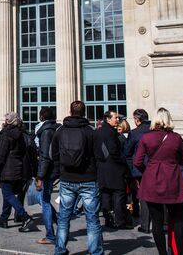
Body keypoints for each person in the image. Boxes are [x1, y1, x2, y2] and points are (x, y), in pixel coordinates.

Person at [134, 108, 183, 255]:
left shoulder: (146, 138)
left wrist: (148, 171)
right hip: (172, 178)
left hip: (152, 179)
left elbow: (137, 161)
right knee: (178, 220)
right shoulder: (176, 138)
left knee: (157, 221)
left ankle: (162, 253)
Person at [52, 101, 103, 255]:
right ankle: (95, 252)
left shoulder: (60, 131)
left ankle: (60, 250)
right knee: (92, 220)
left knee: (63, 219)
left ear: (70, 111)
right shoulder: (91, 131)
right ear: (84, 112)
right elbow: (102, 155)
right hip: (88, 179)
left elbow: (51, 154)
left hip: (67, 179)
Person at [0, 112, 33, 232]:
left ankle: (25, 216)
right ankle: (3, 219)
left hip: (7, 169)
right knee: (7, 195)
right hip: (18, 168)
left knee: (8, 194)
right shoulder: (20, 135)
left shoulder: (7, 135)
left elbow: (1, 155)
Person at [95, 110, 130, 230]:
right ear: (108, 119)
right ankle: (119, 221)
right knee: (118, 194)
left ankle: (108, 219)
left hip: (103, 168)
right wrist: (123, 162)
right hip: (113, 168)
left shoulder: (100, 131)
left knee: (106, 194)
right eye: (115, 117)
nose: (118, 119)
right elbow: (114, 151)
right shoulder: (110, 133)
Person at [35, 107, 61, 245]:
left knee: (44, 201)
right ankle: (58, 220)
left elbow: (45, 156)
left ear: (42, 117)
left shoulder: (46, 132)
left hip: (48, 171)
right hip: (56, 169)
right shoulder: (58, 129)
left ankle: (50, 235)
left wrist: (40, 176)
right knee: (44, 199)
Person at [124, 108, 151, 233]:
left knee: (144, 197)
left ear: (137, 119)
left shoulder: (135, 133)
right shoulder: (154, 129)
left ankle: (145, 225)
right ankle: (165, 223)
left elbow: (127, 151)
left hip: (141, 170)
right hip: (156, 168)